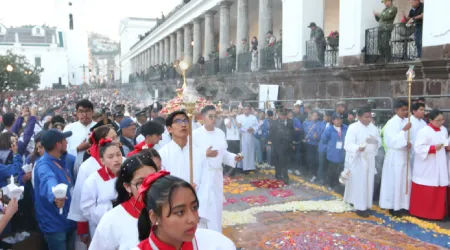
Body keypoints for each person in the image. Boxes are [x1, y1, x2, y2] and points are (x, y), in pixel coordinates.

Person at [134, 171, 236, 250]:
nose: (193, 219)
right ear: (155, 217)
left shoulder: (217, 244)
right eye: (180, 212)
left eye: (194, 207)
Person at [89, 152, 158, 250]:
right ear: (128, 187)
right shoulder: (112, 219)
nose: (149, 186)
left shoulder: (171, 211)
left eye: (153, 180)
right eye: (140, 182)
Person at [193, 105, 242, 232]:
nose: (213, 119)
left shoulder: (220, 133)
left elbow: (223, 154)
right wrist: (205, 155)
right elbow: (190, 157)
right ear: (203, 118)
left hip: (216, 176)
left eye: (215, 116)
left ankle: (216, 234)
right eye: (210, 116)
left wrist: (233, 157)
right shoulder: (195, 135)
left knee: (216, 207)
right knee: (202, 207)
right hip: (202, 177)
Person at [68, 125, 118, 247]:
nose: (117, 141)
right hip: (98, 222)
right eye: (113, 138)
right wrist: (83, 227)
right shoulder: (87, 167)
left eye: (117, 137)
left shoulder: (123, 161)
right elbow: (80, 199)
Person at [34, 129, 76, 250]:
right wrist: (55, 195)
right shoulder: (44, 165)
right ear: (58, 145)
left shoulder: (61, 160)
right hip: (54, 224)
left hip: (66, 221)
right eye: (64, 140)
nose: (67, 143)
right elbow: (48, 180)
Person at [410, 109, 449, 220]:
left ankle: (438, 213)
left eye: (442, 120)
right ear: (430, 120)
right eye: (438, 120)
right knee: (427, 187)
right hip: (427, 163)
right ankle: (423, 213)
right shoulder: (424, 131)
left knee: (439, 185)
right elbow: (418, 148)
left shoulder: (444, 130)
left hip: (440, 161)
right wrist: (432, 148)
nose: (441, 122)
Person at [343, 107, 381, 218]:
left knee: (368, 182)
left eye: (370, 117)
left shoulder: (373, 128)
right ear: (359, 117)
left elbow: (379, 141)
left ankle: (365, 204)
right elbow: (348, 144)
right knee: (359, 182)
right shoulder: (353, 127)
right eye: (366, 117)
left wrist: (374, 142)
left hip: (369, 158)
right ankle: (359, 207)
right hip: (358, 158)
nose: (369, 119)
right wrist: (358, 148)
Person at [80, 140, 122, 237]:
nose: (116, 159)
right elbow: (87, 208)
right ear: (102, 160)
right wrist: (112, 209)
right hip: (103, 229)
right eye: (110, 157)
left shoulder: (128, 175)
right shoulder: (93, 180)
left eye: (118, 155)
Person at [379, 100, 412, 216]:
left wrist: (408, 143)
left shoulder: (406, 121)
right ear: (396, 110)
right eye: (402, 110)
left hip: (403, 154)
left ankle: (402, 204)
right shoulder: (392, 123)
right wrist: (404, 130)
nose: (405, 112)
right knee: (395, 180)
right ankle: (393, 206)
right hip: (395, 155)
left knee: (404, 180)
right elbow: (391, 141)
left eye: (406, 109)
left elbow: (407, 138)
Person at [158, 111, 205, 189]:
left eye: (186, 121)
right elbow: (162, 183)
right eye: (178, 121)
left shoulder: (199, 151)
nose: (183, 125)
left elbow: (205, 181)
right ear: (169, 129)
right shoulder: (163, 154)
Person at [63, 99, 96, 179]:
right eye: (81, 111)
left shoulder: (99, 127)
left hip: (95, 169)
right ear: (77, 113)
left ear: (92, 112)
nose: (84, 114)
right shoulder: (69, 128)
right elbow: (62, 151)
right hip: (73, 167)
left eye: (87, 111)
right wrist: (78, 149)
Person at [320, 114, 348, 192]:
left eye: (341, 119)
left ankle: (339, 186)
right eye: (337, 119)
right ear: (333, 120)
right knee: (332, 170)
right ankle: (331, 184)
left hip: (342, 154)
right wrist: (328, 149)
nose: (339, 121)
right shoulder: (329, 129)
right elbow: (323, 140)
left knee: (340, 171)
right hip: (333, 154)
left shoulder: (346, 128)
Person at [267, 106, 295, 184]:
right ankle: (278, 174)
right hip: (278, 144)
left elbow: (292, 133)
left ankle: (284, 176)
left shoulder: (290, 121)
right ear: (279, 115)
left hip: (287, 145)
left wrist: (292, 143)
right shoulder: (275, 122)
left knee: (285, 161)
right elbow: (271, 134)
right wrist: (270, 143)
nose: (284, 116)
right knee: (278, 161)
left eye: (285, 115)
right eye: (282, 115)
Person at [236, 104, 258, 173]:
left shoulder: (253, 117)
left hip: (251, 135)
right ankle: (243, 167)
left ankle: (251, 166)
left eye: (248, 109)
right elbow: (237, 127)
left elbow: (257, 126)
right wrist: (241, 129)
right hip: (243, 135)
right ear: (243, 110)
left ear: (250, 110)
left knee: (251, 151)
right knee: (244, 151)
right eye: (245, 109)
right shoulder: (239, 117)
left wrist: (253, 129)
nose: (246, 111)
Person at [409, 102, 426, 169]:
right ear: (414, 111)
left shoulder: (423, 123)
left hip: (421, 150)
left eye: (424, 110)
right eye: (421, 110)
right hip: (411, 149)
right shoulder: (409, 122)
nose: (423, 112)